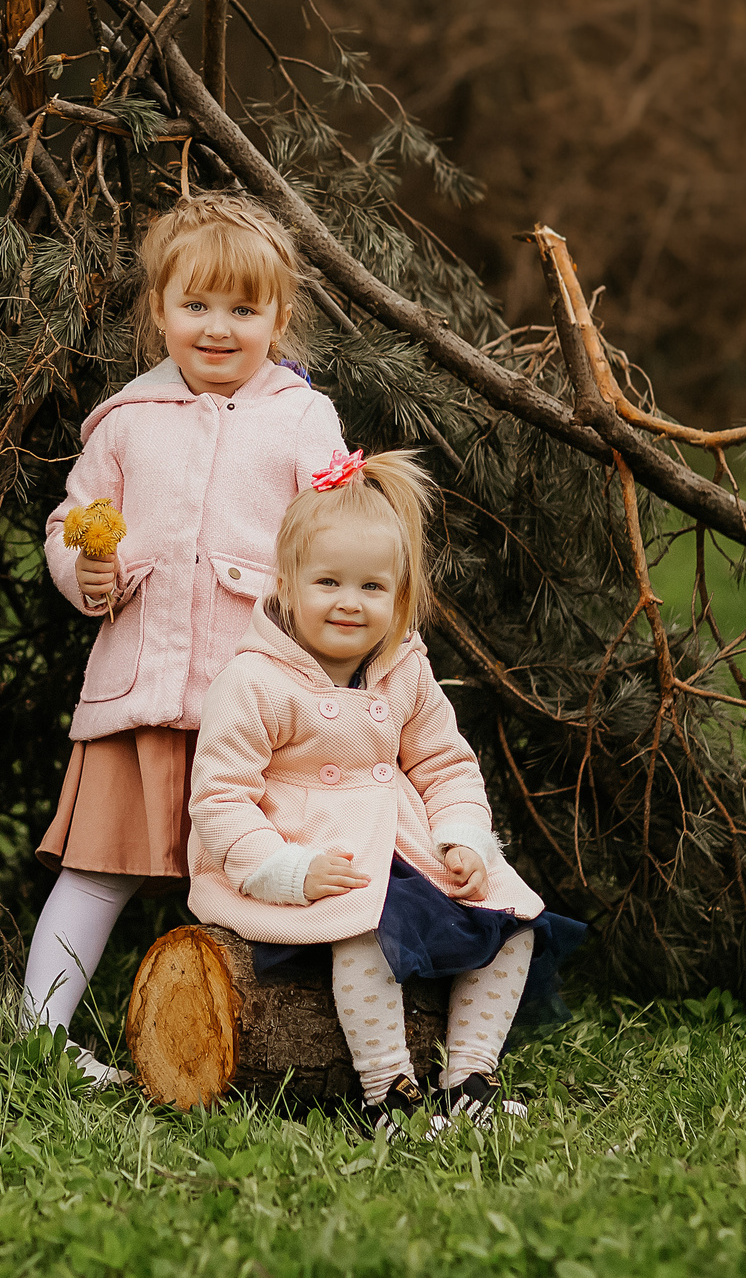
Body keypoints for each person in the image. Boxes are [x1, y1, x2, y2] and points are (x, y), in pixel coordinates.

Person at [29, 192, 348, 1085]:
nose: (218, 329)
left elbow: (333, 536)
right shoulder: (126, 421)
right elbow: (74, 521)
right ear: (160, 310)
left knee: (260, 881)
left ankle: (264, 1042)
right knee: (98, 869)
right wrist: (89, 568)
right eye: (196, 306)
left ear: (278, 320)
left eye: (243, 310)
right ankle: (38, 1034)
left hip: (254, 706)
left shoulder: (300, 420)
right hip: (140, 690)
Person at [188, 447, 555, 1131]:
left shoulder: (403, 669)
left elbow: (446, 763)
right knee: (365, 935)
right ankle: (388, 1090)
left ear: (400, 596)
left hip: (399, 848)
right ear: (287, 585)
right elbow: (219, 797)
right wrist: (285, 869)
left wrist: (462, 837)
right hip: (305, 859)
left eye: (371, 588)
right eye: (328, 582)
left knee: (510, 922)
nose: (349, 604)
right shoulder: (255, 681)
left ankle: (469, 1074)